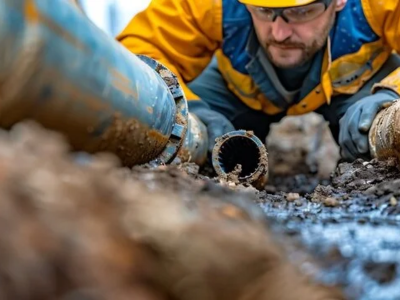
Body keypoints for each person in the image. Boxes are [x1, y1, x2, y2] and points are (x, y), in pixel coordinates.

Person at [117, 0, 400, 162]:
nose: (279, 33)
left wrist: (391, 94)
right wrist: (190, 109)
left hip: (358, 89)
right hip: (237, 89)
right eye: (264, 11)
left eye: (302, 12)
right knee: (197, 131)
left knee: (369, 138)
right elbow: (137, 56)